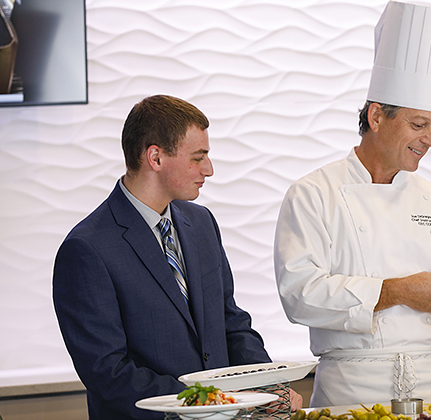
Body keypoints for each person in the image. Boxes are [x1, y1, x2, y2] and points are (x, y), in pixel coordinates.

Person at [274, 1, 431, 407]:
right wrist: (396, 291)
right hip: (351, 392)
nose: (430, 139)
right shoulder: (313, 194)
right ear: (376, 116)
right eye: (418, 124)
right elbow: (300, 293)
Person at [53, 95, 301, 419]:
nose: (209, 169)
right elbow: (108, 373)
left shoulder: (201, 223)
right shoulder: (87, 249)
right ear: (155, 157)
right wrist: (206, 403)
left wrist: (271, 387)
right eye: (198, 158)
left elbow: (231, 324)